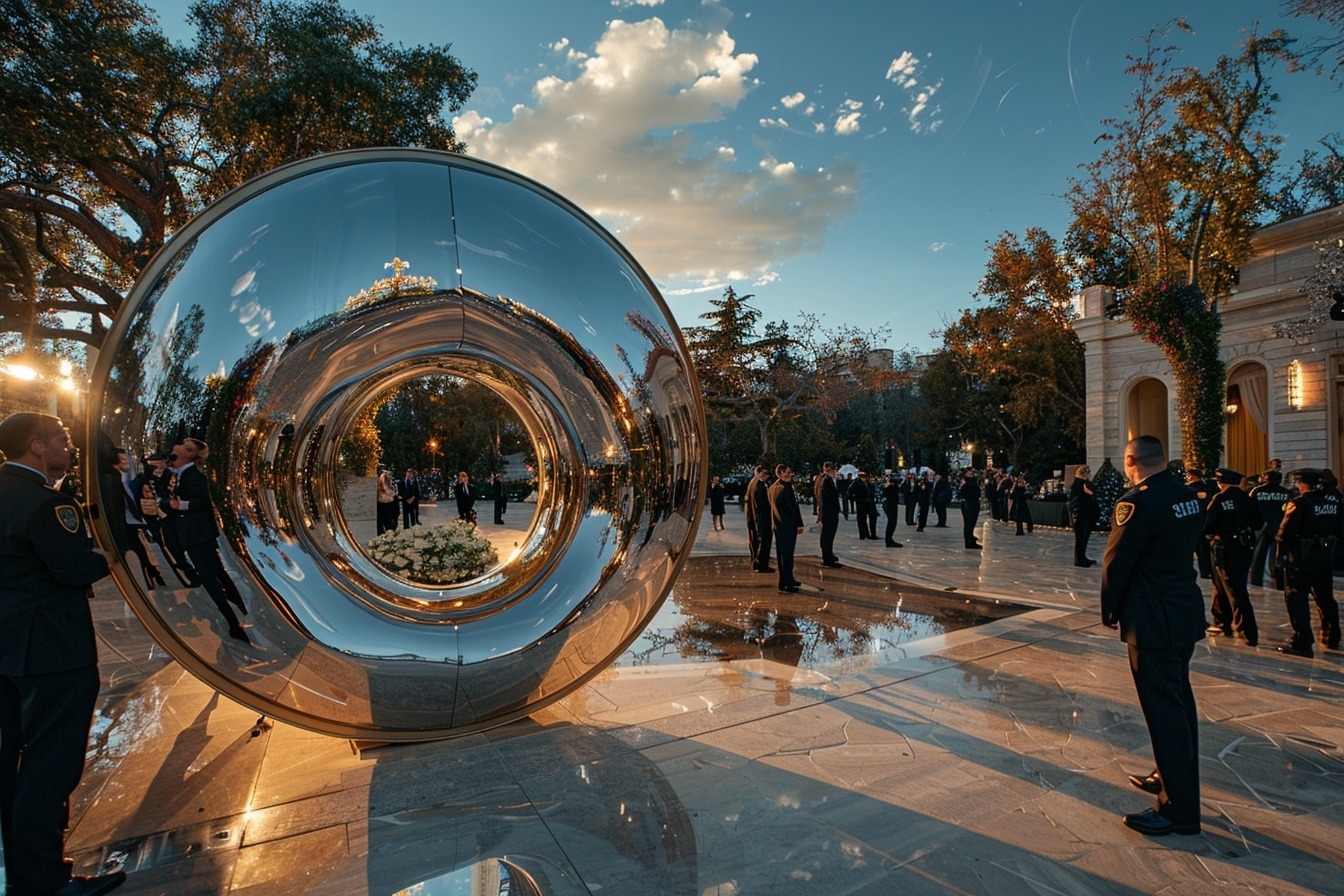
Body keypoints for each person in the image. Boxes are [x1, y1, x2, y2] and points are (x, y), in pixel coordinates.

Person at [0, 412, 128, 896]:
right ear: (37, 447)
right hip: (53, 649)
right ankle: (46, 882)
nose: (68, 447)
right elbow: (74, 568)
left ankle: (26, 876)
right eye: (61, 440)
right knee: (50, 766)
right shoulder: (44, 503)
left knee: (14, 766)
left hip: (10, 649)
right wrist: (107, 556)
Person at [1101, 435, 1206, 837]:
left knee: (1164, 713)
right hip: (1181, 611)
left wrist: (1110, 610)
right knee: (1180, 703)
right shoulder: (1189, 496)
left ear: (1131, 462)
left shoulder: (1137, 503)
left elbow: (1117, 563)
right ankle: (1171, 777)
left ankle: (1177, 811)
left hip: (1152, 618)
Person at [163, 438, 250, 643]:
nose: (177, 447)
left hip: (198, 535)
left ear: (191, 455)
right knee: (218, 573)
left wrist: (180, 506)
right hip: (196, 534)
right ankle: (240, 610)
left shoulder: (193, 475)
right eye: (181, 443)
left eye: (187, 448)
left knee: (210, 578)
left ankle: (233, 622)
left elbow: (203, 501)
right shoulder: (181, 474)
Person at [1274, 468, 1342, 657]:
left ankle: (1302, 640)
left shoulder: (1299, 503)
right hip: (1323, 557)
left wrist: (1279, 561)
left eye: (1298, 482)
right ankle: (1332, 635)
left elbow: (1283, 535)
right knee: (1325, 597)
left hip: (1301, 559)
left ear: (1304, 483)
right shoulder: (1333, 503)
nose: (1297, 486)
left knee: (1297, 598)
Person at [1203, 468, 1261, 646]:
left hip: (1224, 549)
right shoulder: (1247, 499)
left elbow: (1207, 526)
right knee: (1231, 587)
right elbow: (1258, 523)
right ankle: (1224, 623)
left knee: (1231, 590)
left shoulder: (1219, 499)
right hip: (1244, 548)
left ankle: (1247, 630)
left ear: (1221, 482)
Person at [1248, 470, 1291, 587]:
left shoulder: (1257, 491)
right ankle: (1280, 581)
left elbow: (1249, 508)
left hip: (1261, 526)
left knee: (1258, 555)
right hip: (1280, 527)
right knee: (1279, 555)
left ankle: (1256, 580)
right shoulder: (1287, 492)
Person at [768, 464, 805, 593]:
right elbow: (793, 508)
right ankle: (787, 582)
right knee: (787, 555)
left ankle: (786, 579)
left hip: (778, 526)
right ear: (781, 474)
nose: (790, 475)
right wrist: (799, 524)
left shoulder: (772, 488)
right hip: (787, 526)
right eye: (788, 473)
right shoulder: (785, 489)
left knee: (782, 555)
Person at [1069, 466, 1099, 566]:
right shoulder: (1081, 483)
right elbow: (1091, 492)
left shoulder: (1078, 483)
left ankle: (1082, 557)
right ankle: (1079, 560)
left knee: (1083, 537)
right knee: (1081, 538)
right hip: (1081, 514)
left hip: (1083, 513)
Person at [746, 466, 773, 573]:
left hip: (756, 517)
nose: (766, 476)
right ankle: (762, 563)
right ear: (759, 473)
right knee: (765, 540)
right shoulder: (759, 484)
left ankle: (757, 561)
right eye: (764, 473)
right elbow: (762, 503)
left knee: (757, 540)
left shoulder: (753, 482)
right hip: (762, 518)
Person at [818, 461, 842, 567]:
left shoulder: (830, 480)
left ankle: (829, 555)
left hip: (830, 512)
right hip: (829, 512)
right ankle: (827, 558)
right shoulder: (827, 480)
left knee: (829, 535)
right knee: (827, 535)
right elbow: (829, 498)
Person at [958, 468, 982, 550]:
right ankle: (969, 541)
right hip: (969, 504)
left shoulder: (970, 482)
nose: (971, 474)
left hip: (972, 503)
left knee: (970, 523)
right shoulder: (967, 483)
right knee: (969, 523)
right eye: (968, 473)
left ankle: (970, 539)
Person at [880, 474, 904, 548]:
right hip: (890, 505)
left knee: (892, 523)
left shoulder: (892, 487)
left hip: (891, 505)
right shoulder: (890, 487)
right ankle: (889, 541)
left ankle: (889, 540)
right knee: (891, 523)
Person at [375, 470, 399, 535]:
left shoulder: (393, 493)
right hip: (384, 512)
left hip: (390, 516)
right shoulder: (379, 494)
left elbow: (396, 513)